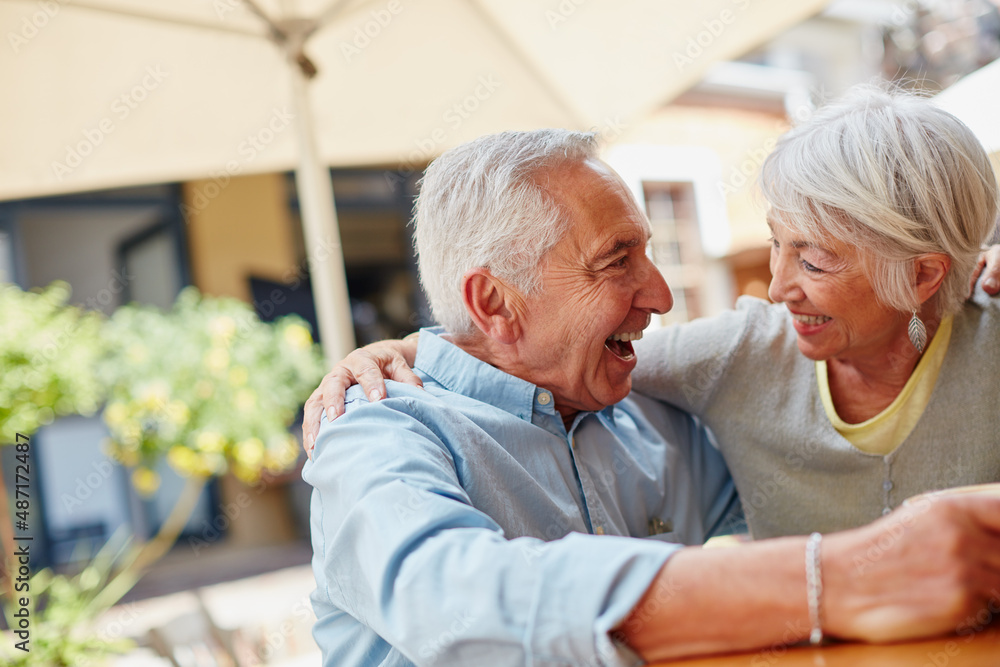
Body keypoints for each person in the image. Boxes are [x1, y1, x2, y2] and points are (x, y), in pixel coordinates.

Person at [303, 127, 1000, 666]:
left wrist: (966, 279)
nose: (662, 295)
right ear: (494, 301)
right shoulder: (376, 432)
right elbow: (452, 598)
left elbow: (799, 493)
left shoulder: (657, 419)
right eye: (618, 261)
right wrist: (831, 580)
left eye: (650, 253)